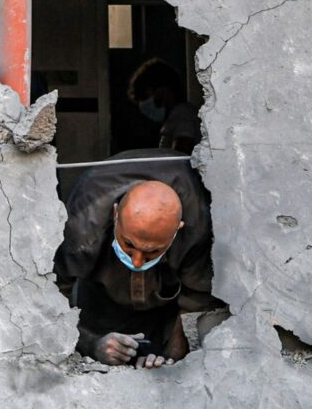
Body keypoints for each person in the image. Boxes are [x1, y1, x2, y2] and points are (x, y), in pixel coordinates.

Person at [54, 150, 220, 369]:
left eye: (151, 251)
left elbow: (197, 298)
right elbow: (51, 300)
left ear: (176, 231)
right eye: (129, 245)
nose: (137, 262)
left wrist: (173, 357)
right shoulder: (81, 225)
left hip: (165, 301)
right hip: (100, 301)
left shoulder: (200, 220)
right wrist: (91, 344)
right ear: (115, 215)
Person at [128, 59, 201, 154]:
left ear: (164, 90)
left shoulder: (183, 114)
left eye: (146, 96)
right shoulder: (175, 117)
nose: (143, 104)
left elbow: (180, 157)